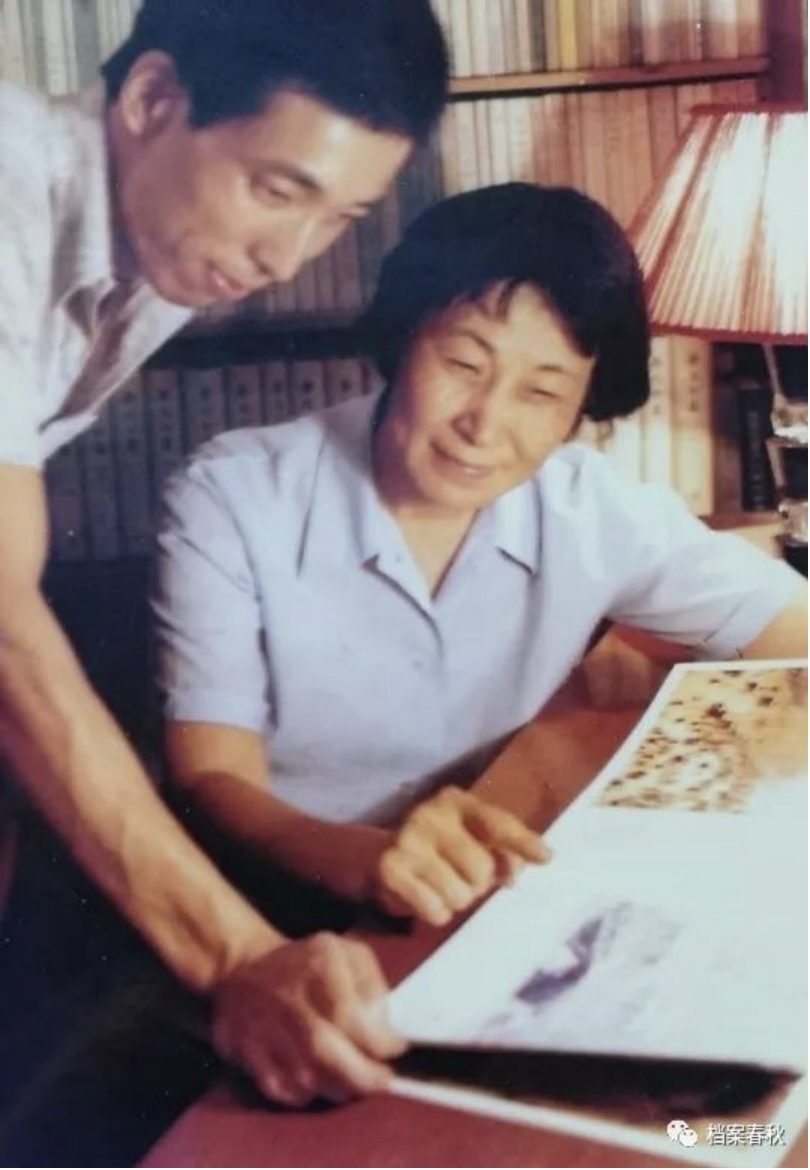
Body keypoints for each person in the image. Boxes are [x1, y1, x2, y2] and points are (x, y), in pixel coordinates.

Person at [153, 182, 808, 1100]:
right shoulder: (234, 495)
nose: (486, 423)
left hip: (476, 913)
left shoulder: (589, 506)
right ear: (403, 338)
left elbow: (793, 633)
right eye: (464, 363)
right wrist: (371, 859)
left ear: (579, 407)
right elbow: (214, 780)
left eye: (543, 392)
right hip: (262, 923)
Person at [0, 0, 448, 1111]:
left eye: (339, 218)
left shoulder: (163, 240)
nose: (285, 258)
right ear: (153, 98)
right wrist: (239, 956)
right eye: (277, 190)